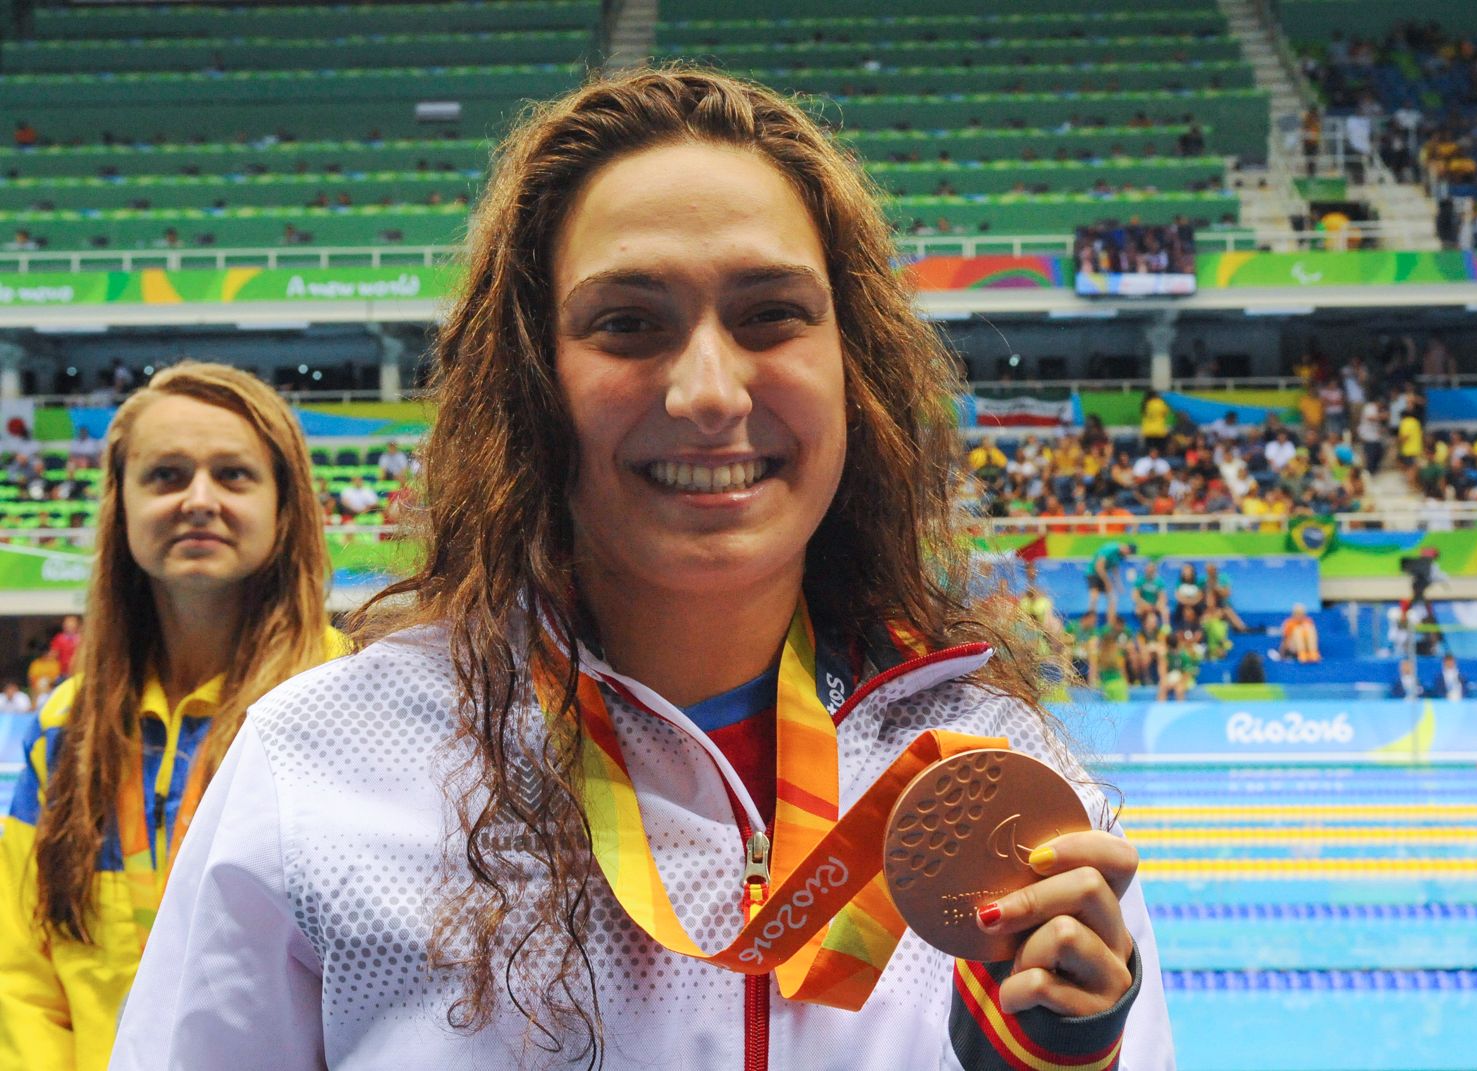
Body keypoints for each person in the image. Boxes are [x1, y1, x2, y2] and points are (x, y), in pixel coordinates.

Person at [112, 70, 1173, 1070]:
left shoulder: (996, 783)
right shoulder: (320, 765)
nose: (707, 392)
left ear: (853, 366)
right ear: (531, 378)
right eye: (628, 324)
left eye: (771, 314)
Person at [0, 362, 346, 1070]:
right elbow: (23, 984)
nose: (198, 499)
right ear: (120, 505)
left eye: (234, 474)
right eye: (164, 475)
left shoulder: (347, 711)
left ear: (285, 507)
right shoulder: (64, 731)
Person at [1086, 539, 1136, 623]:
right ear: (1126, 548)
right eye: (1128, 553)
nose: (1127, 556)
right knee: (1094, 597)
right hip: (1093, 573)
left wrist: (1119, 584)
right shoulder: (1110, 549)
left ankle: (1110, 624)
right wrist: (1107, 582)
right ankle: (1089, 622)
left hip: (1103, 574)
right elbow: (1098, 567)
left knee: (1113, 598)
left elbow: (1114, 568)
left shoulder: (1120, 555)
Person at [48, 613, 82, 680]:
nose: (69, 625)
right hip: (63, 673)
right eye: (67, 623)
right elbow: (54, 654)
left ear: (77, 624)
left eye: (72, 622)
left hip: (78, 671)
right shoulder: (59, 638)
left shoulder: (82, 638)